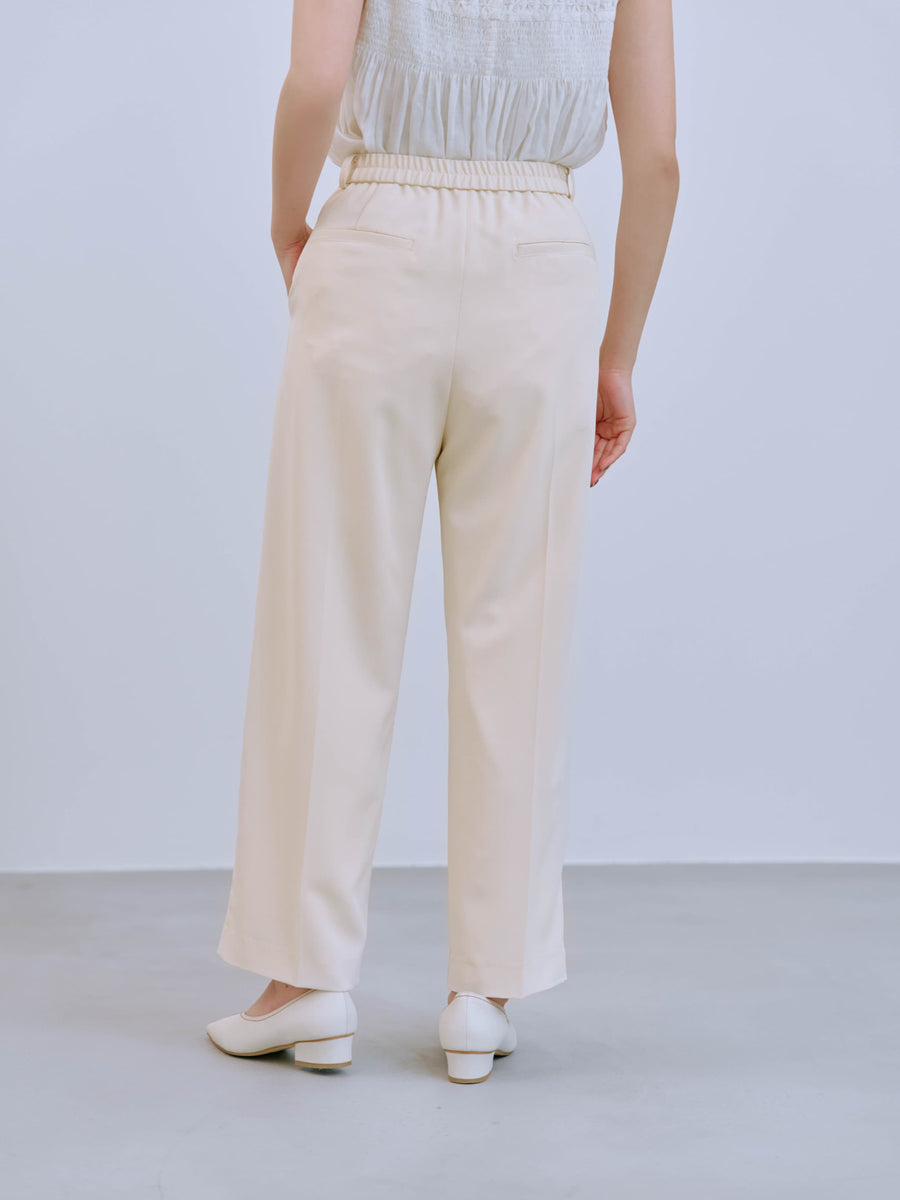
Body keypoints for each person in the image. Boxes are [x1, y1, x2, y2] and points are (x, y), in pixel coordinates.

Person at [206, 0, 678, 1084]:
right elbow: (657, 159)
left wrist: (286, 221)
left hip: (377, 242)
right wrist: (617, 355)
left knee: (331, 615)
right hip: (542, 266)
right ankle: (485, 994)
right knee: (521, 631)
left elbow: (316, 82)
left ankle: (304, 981)